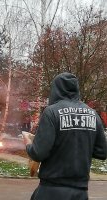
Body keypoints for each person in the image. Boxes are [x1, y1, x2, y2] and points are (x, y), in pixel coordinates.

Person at [22, 72, 107, 200]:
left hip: (51, 191)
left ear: (56, 89)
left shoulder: (51, 112)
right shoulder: (92, 114)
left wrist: (28, 142)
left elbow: (38, 153)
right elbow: (102, 152)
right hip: (80, 192)